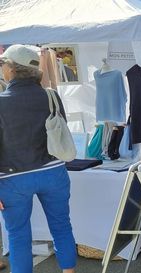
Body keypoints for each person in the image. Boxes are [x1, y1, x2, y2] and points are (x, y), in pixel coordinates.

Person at [0, 45, 76, 273]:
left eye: (3, 63)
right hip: (53, 171)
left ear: (12, 69)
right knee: (62, 226)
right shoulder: (51, 96)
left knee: (18, 235)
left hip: (13, 178)